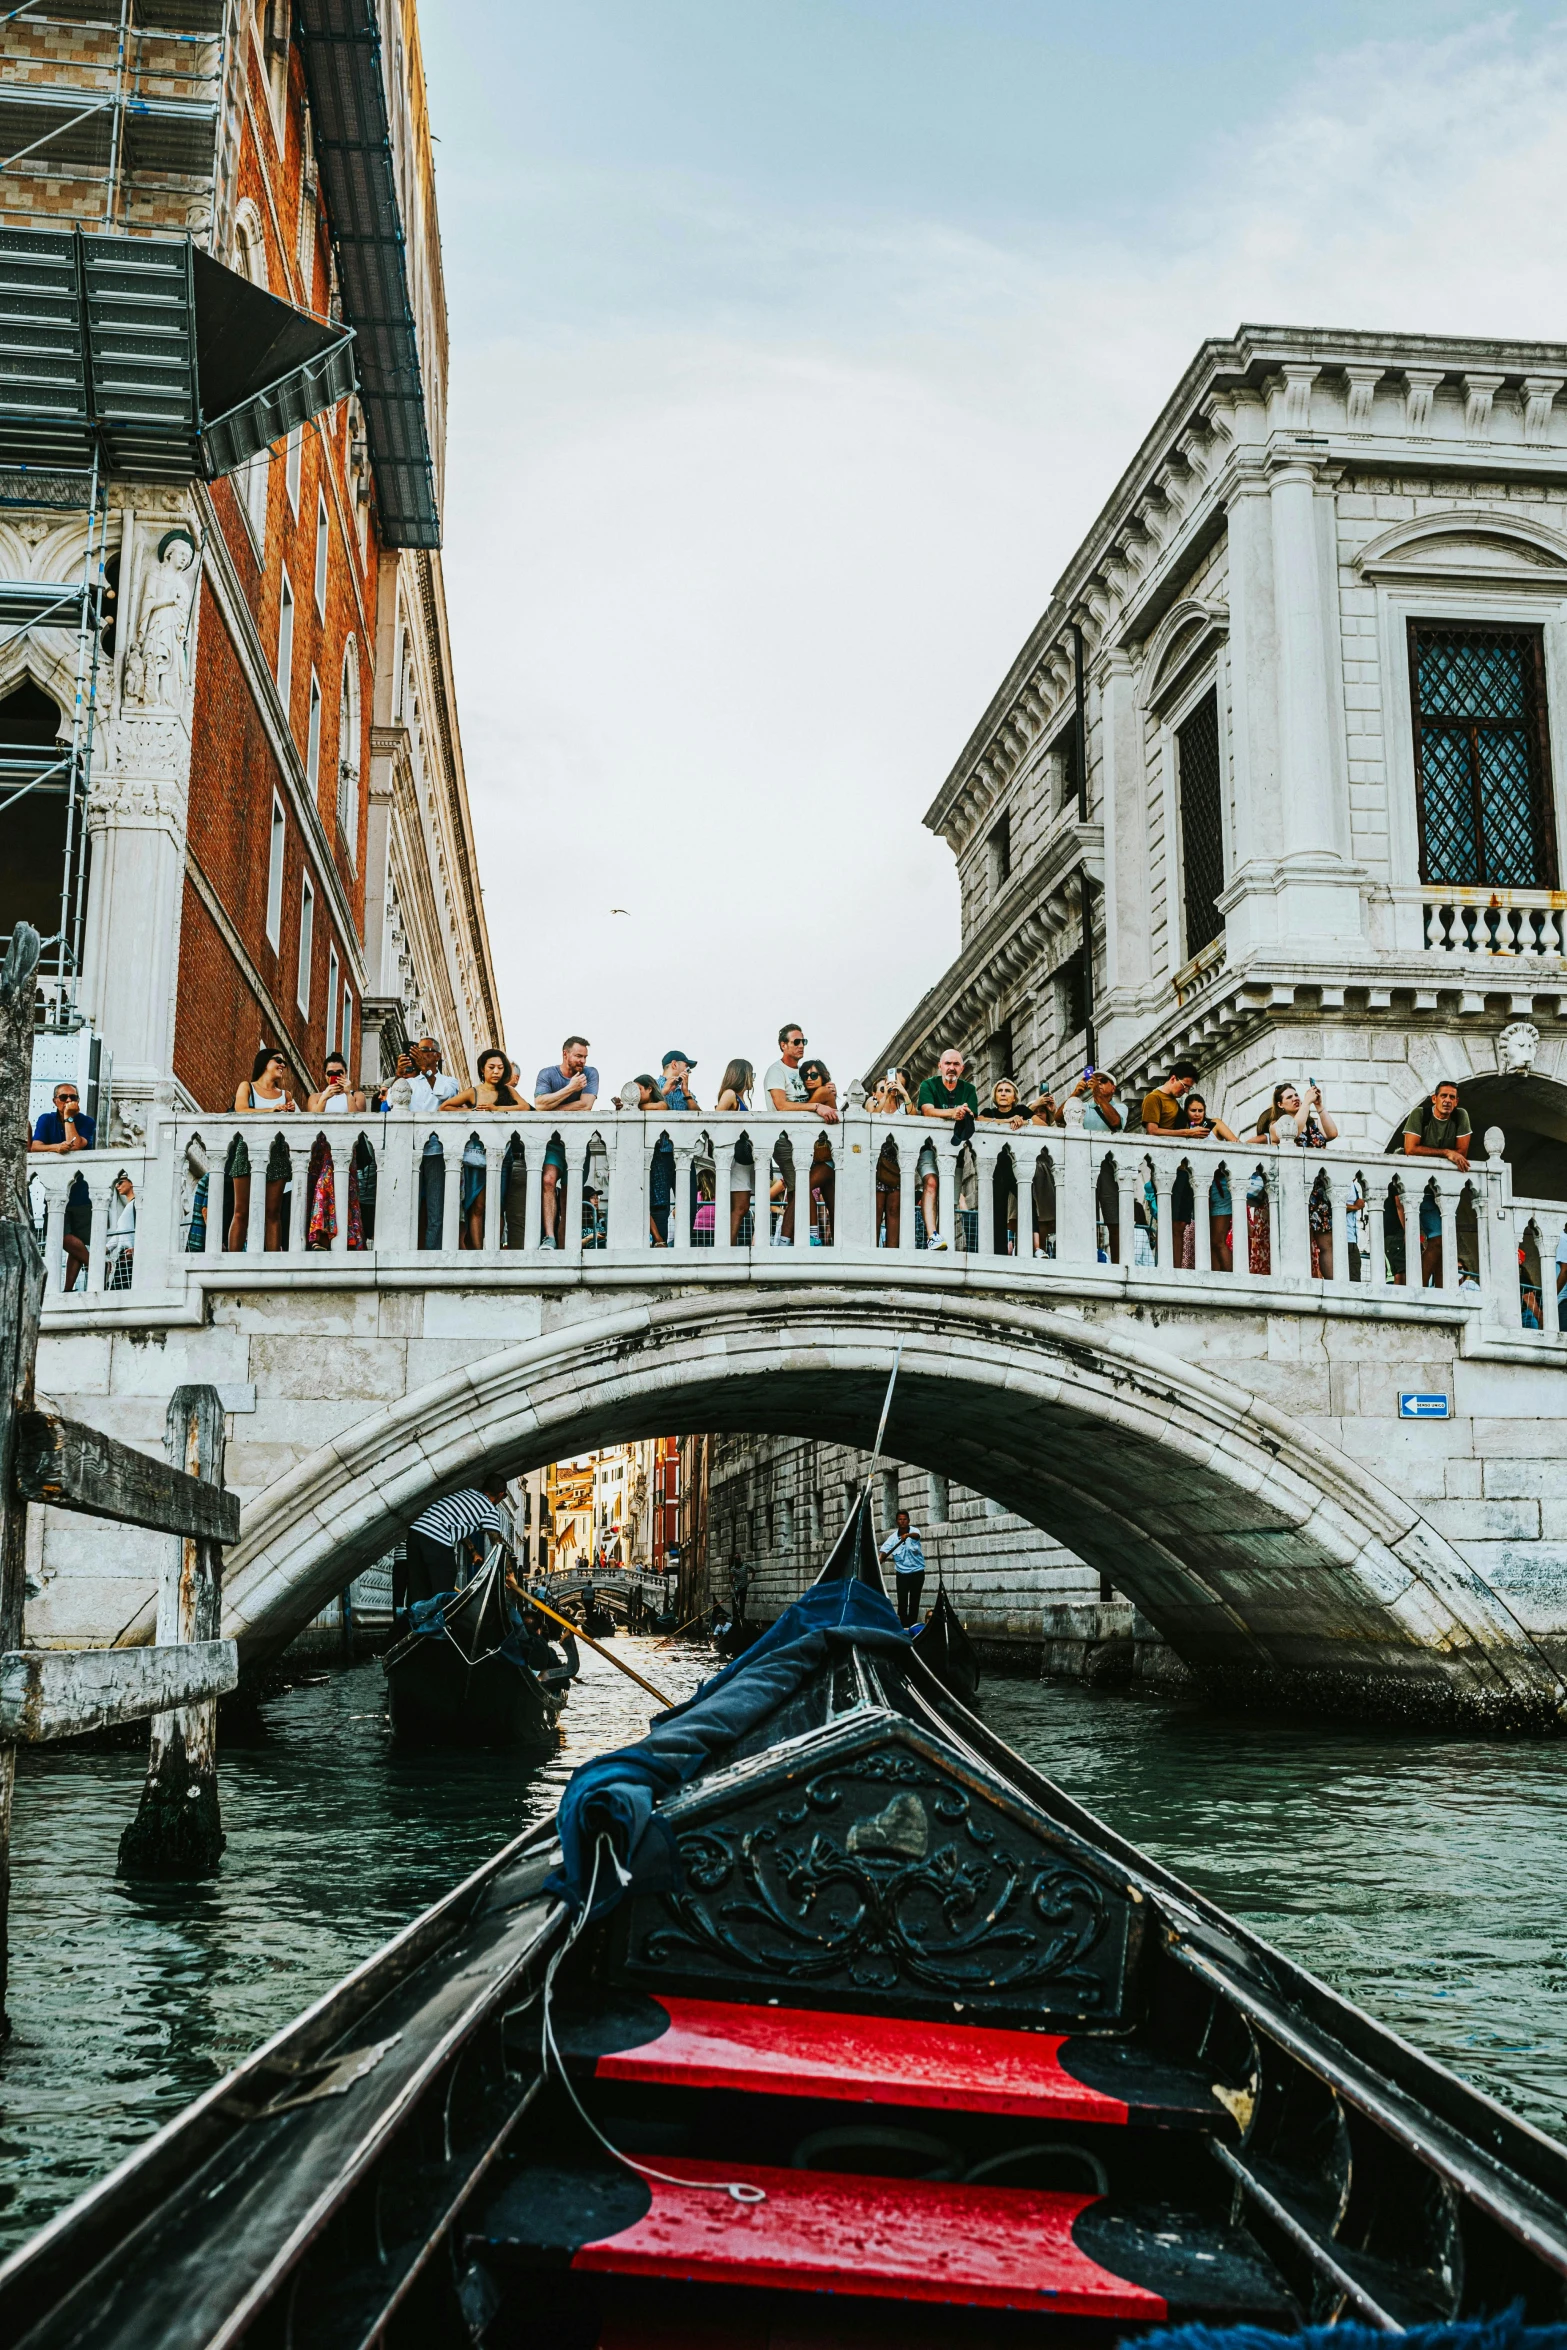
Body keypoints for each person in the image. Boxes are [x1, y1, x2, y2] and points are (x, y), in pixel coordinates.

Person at [442, 1048, 529, 1248]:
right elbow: (445, 1107)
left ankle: (493, 1247)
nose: (496, 1071)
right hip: (477, 1156)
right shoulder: (474, 1091)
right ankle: (478, 1250)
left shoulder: (508, 1091)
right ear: (483, 1069)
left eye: (500, 1067)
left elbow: (524, 1107)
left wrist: (496, 1109)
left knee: (497, 1205)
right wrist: (471, 1112)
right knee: (478, 1206)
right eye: (491, 1067)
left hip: (502, 1156)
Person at [764, 1024, 837, 1243]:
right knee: (801, 1188)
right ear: (783, 1045)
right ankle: (791, 1241)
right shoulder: (776, 1071)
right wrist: (817, 1106)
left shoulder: (803, 1072)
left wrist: (826, 1090)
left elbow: (822, 1098)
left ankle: (803, 1240)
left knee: (806, 1191)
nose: (800, 1046)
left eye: (803, 1041)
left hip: (812, 1143)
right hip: (786, 1140)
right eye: (796, 1042)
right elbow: (780, 1105)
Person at [402, 1474, 513, 1610]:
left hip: (416, 1534)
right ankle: (437, 1625)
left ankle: (413, 1626)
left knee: (418, 1590)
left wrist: (473, 1552)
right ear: (501, 1494)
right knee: (443, 1591)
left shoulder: (466, 1493)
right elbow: (498, 1544)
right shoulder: (489, 1510)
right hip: (437, 1540)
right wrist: (510, 1574)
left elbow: (453, 1524)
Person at [1402, 1080, 1471, 1288]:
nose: (1447, 1101)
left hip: (1443, 1190)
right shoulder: (1420, 1115)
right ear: (1434, 1098)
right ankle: (1420, 1288)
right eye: (1443, 1096)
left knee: (1443, 1243)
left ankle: (1441, 1292)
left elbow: (1462, 1153)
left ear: (1457, 1101)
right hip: (1418, 1187)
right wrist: (1446, 1152)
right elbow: (1410, 1149)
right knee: (1439, 1240)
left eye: (1452, 1097)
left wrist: (1452, 1153)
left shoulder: (1460, 1117)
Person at [228, 1047, 296, 1252]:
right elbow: (241, 1110)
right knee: (241, 1211)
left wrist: (290, 1113)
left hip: (276, 1152)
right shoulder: (247, 1086)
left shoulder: (286, 1095)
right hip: (247, 1149)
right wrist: (272, 1110)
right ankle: (233, 1260)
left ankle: (272, 1260)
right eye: (278, 1060)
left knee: (272, 1213)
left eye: (284, 1062)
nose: (282, 1065)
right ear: (265, 1062)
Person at [29, 1081, 95, 1289]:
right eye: (64, 1097)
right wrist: (56, 1147)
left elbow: (74, 1145)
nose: (68, 1101)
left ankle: (67, 1288)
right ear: (54, 1100)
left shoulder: (86, 1121)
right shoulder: (46, 1119)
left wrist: (69, 1117)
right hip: (56, 1189)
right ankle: (98, 1266)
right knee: (59, 1235)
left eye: (73, 1098)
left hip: (81, 1191)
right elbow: (35, 1147)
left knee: (77, 1241)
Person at [535, 1037, 599, 1248]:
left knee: (569, 1194)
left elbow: (586, 1105)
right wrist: (571, 1088)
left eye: (585, 1057)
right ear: (565, 1054)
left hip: (579, 1143)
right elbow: (539, 1104)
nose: (582, 1061)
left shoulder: (590, 1073)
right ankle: (549, 1237)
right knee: (548, 1181)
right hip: (553, 1142)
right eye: (578, 1056)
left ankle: (564, 1243)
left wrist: (552, 1108)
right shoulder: (547, 1074)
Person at [397, 1036, 460, 1248]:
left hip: (436, 1151)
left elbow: (445, 1093)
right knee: (407, 1204)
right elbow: (390, 1103)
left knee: (435, 1207)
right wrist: (398, 1076)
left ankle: (431, 1251)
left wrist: (427, 1071)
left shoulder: (449, 1081)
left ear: (437, 1055)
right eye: (417, 1050)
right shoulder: (409, 1082)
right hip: (410, 1149)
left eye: (425, 1049)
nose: (420, 1053)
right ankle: (406, 1249)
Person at [303, 1051, 367, 1252]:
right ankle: (320, 1236)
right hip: (320, 1153)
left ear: (346, 1073)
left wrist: (347, 1093)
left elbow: (358, 1118)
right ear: (324, 1075)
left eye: (340, 1072)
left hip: (345, 1153)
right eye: (331, 1073)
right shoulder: (316, 1096)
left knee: (343, 1193)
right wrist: (325, 1097)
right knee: (319, 1189)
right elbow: (312, 1119)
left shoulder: (357, 1095)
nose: (336, 1076)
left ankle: (338, 1239)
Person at [915, 1049, 979, 1250]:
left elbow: (973, 1115)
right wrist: (953, 1112)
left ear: (962, 1068)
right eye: (948, 1063)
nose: (952, 1067)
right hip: (928, 1147)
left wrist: (965, 1113)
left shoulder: (968, 1089)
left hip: (955, 1151)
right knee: (931, 1182)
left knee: (949, 1199)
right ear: (940, 1066)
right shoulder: (929, 1085)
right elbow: (927, 1110)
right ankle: (932, 1235)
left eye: (956, 1064)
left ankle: (943, 1239)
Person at [1175, 1093, 1237, 1270]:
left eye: (1200, 1110)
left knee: (1218, 1239)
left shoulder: (1215, 1124)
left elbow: (1234, 1143)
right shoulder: (1184, 1130)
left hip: (1219, 1186)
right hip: (1198, 1187)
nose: (1197, 1114)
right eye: (1193, 1110)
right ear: (1186, 1111)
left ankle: (1230, 1277)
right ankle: (1216, 1278)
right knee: (1208, 1240)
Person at [647, 1051, 699, 1245]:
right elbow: (642, 1106)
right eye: (687, 1066)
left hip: (683, 1155)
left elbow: (699, 1115)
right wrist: (666, 1090)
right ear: (674, 1064)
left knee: (690, 1204)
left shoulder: (687, 1092)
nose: (688, 1070)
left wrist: (685, 1092)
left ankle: (683, 1244)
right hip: (659, 1154)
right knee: (659, 1204)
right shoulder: (652, 1085)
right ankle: (659, 1245)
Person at [868, 1071, 912, 1247]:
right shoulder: (873, 1102)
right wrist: (885, 1096)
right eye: (882, 1087)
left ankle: (892, 1249)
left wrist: (904, 1094)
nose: (890, 1088)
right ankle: (872, 1249)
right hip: (878, 1163)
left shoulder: (903, 1105)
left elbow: (914, 1115)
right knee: (877, 1209)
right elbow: (872, 1117)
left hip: (897, 1163)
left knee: (894, 1209)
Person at [715, 1059, 755, 1244]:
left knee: (739, 1206)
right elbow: (716, 1121)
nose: (752, 1079)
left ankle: (730, 1244)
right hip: (734, 1157)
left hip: (740, 1158)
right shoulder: (730, 1094)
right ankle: (728, 1246)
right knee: (740, 1207)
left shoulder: (739, 1097)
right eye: (751, 1074)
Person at [799, 1060, 837, 1243]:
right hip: (824, 1160)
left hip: (827, 1158)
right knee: (832, 1205)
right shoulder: (820, 1094)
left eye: (814, 1075)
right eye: (805, 1076)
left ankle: (813, 1236)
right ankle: (837, 1244)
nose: (809, 1079)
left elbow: (800, 1115)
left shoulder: (824, 1091)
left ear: (823, 1076)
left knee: (803, 1185)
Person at [879, 1508, 926, 1629]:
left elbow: (916, 1536)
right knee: (902, 1602)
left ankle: (912, 1626)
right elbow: (884, 1551)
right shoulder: (893, 1538)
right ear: (897, 1522)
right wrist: (880, 1559)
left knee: (914, 1601)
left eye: (905, 1519)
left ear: (908, 1521)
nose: (902, 1521)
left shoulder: (914, 1531)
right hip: (902, 1574)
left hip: (917, 1572)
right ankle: (903, 1627)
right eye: (900, 1519)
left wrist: (908, 1535)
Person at [1140, 1060, 1199, 1131]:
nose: (1186, 1091)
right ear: (1173, 1079)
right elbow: (1152, 1131)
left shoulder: (1176, 1102)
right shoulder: (1153, 1098)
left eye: (1189, 1088)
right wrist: (1187, 1133)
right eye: (1185, 1086)